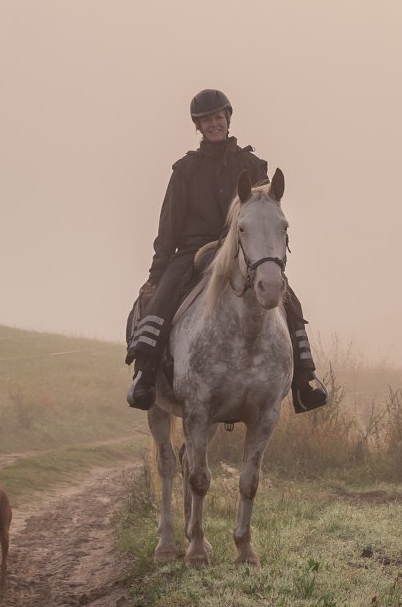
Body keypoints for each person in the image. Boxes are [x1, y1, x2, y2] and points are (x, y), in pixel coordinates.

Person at [125, 89, 328, 413]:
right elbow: (169, 227)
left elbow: (264, 210)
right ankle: (145, 378)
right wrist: (157, 273)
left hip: (244, 250)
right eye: (207, 120)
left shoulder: (251, 163)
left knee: (289, 301)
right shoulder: (185, 170)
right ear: (198, 126)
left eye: (219, 118)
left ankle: (305, 380)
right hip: (194, 251)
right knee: (161, 299)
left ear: (228, 119)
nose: (214, 124)